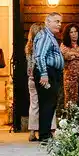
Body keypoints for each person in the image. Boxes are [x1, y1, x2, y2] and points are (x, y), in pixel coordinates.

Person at [29, 12, 65, 141]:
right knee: (47, 103)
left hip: (51, 72)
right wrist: (44, 74)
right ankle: (44, 135)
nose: (59, 24)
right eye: (56, 21)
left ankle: (45, 133)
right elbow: (40, 56)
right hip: (47, 72)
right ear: (47, 22)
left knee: (49, 103)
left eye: (60, 21)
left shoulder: (50, 36)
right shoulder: (44, 36)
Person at [60, 23, 79, 110]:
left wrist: (74, 55)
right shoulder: (64, 45)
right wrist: (76, 55)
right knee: (70, 100)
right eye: (71, 32)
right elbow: (66, 56)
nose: (74, 34)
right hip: (69, 77)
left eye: (75, 32)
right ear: (68, 34)